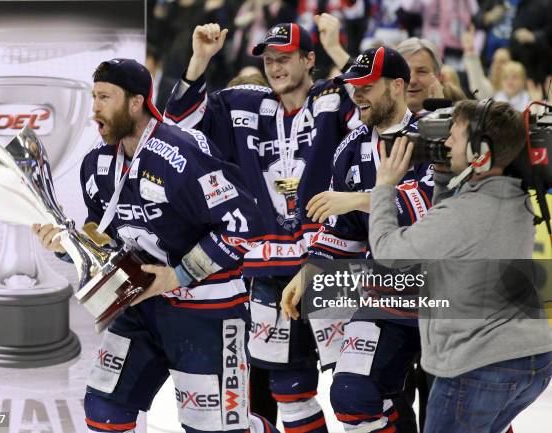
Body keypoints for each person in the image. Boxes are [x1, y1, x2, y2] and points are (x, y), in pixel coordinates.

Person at [32, 58, 279, 433]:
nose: (94, 108)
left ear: (135, 102)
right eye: (93, 97)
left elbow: (241, 224)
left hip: (207, 312)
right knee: (104, 412)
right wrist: (67, 245)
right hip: (141, 309)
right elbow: (107, 239)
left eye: (104, 97)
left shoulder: (180, 153)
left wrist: (178, 275)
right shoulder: (97, 165)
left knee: (218, 429)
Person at [164, 16, 358, 433]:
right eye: (269, 59)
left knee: (356, 387)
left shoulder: (333, 99)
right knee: (290, 390)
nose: (275, 66)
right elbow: (178, 123)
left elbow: (375, 104)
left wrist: (338, 48)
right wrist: (199, 59)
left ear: (310, 59)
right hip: (269, 270)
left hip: (332, 263)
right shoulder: (245, 103)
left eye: (285, 57)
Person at [369, 99, 552, 433]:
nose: (446, 142)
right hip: (533, 360)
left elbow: (388, 252)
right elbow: (448, 235)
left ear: (479, 151)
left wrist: (383, 188)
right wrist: (442, 178)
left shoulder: (463, 214)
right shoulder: (517, 196)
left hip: (481, 366)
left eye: (454, 134)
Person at [281, 46, 434, 433]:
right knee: (352, 396)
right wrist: (309, 272)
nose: (357, 94)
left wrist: (360, 198)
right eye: (353, 86)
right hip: (387, 292)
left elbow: (434, 210)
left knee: (456, 416)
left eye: (367, 86)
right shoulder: (349, 149)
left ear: (398, 86)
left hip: (445, 292)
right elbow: (340, 232)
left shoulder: (435, 136)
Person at [396, 37, 445, 114]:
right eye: (405, 71)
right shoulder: (375, 121)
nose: (412, 81)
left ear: (438, 77)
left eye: (421, 72)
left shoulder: (455, 122)